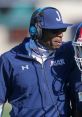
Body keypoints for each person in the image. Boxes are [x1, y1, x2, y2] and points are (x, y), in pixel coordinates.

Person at [0, 7, 82, 117]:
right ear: (36, 31)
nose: (61, 35)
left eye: (62, 30)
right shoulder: (9, 60)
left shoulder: (68, 52)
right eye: (54, 31)